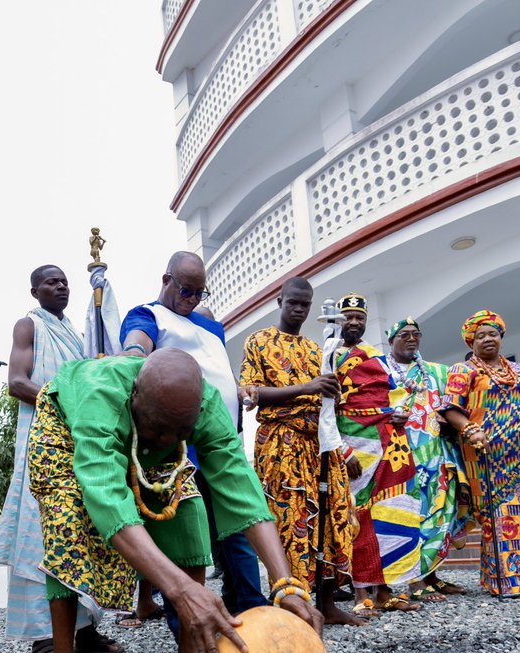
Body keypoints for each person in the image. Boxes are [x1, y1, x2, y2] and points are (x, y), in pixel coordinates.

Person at [29, 349, 323, 653]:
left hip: (143, 432)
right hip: (65, 430)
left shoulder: (203, 406)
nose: (166, 438)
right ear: (135, 396)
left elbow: (240, 485)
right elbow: (106, 497)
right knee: (67, 521)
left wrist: (286, 584)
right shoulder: (101, 398)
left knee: (188, 510)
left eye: (180, 432)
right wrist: (180, 590)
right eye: (159, 427)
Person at [120, 252, 268, 627]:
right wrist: (132, 353)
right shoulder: (148, 315)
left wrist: (239, 388)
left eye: (200, 293)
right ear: (166, 280)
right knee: (186, 531)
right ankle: (188, 619)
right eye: (186, 290)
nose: (192, 299)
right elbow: (137, 346)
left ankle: (251, 604)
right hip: (180, 444)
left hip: (222, 439)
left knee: (237, 521)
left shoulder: (210, 327)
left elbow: (216, 369)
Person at [0, 265, 122, 653]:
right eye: (52, 281)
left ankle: (84, 629)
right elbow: (17, 382)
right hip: (41, 441)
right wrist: (65, 401)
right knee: (41, 530)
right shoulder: (28, 326)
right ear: (35, 291)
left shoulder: (76, 334)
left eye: (65, 281)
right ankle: (44, 639)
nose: (62, 286)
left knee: (80, 525)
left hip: (75, 439)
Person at [239, 277, 362, 626]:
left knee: (333, 517)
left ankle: (328, 602)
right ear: (280, 301)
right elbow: (250, 393)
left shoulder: (315, 348)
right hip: (282, 443)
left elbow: (331, 400)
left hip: (320, 443)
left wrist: (330, 391)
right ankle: (295, 603)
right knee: (292, 522)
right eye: (293, 302)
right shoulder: (259, 341)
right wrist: (307, 387)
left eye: (305, 304)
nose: (299, 309)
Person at [439, 311, 520, 598]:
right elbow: (449, 409)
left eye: (493, 334)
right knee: (499, 516)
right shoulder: (462, 371)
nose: (488, 339)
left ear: (501, 337)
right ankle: (505, 580)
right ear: (471, 341)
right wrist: (470, 430)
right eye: (481, 335)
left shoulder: (519, 369)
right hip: (485, 455)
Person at [333, 295, 424, 615]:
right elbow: (324, 410)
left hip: (388, 442)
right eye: (348, 316)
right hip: (352, 445)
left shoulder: (375, 355)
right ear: (338, 320)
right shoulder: (328, 355)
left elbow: (394, 396)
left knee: (394, 511)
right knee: (357, 516)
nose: (354, 322)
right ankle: (361, 593)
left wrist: (400, 414)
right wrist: (343, 450)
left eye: (359, 317)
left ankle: (385, 590)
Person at [378, 318, 467, 602]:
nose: (411, 339)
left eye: (416, 334)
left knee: (440, 513)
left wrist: (449, 419)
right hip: (399, 457)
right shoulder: (380, 371)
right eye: (404, 334)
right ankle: (413, 580)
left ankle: (432, 576)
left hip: (436, 456)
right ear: (391, 340)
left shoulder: (437, 372)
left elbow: (454, 404)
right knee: (409, 514)